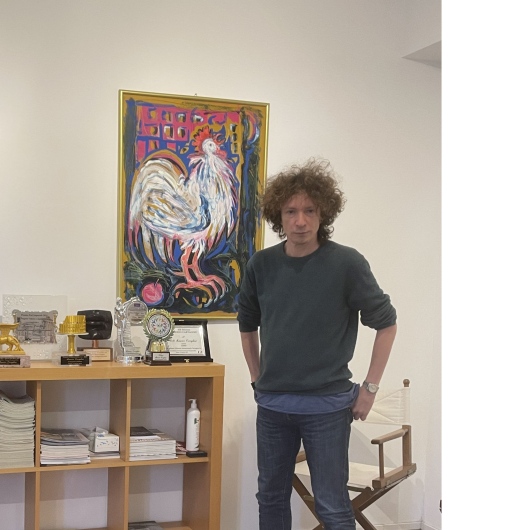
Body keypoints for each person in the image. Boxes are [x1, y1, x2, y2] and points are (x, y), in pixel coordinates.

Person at [237, 159, 397, 530]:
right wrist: (257, 378)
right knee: (270, 498)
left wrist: (370, 389)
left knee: (332, 506)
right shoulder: (261, 264)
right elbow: (247, 326)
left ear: (323, 212)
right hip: (273, 408)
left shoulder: (347, 264)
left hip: (328, 408)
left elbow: (386, 324)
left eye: (309, 210)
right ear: (279, 216)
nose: (300, 221)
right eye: (291, 211)